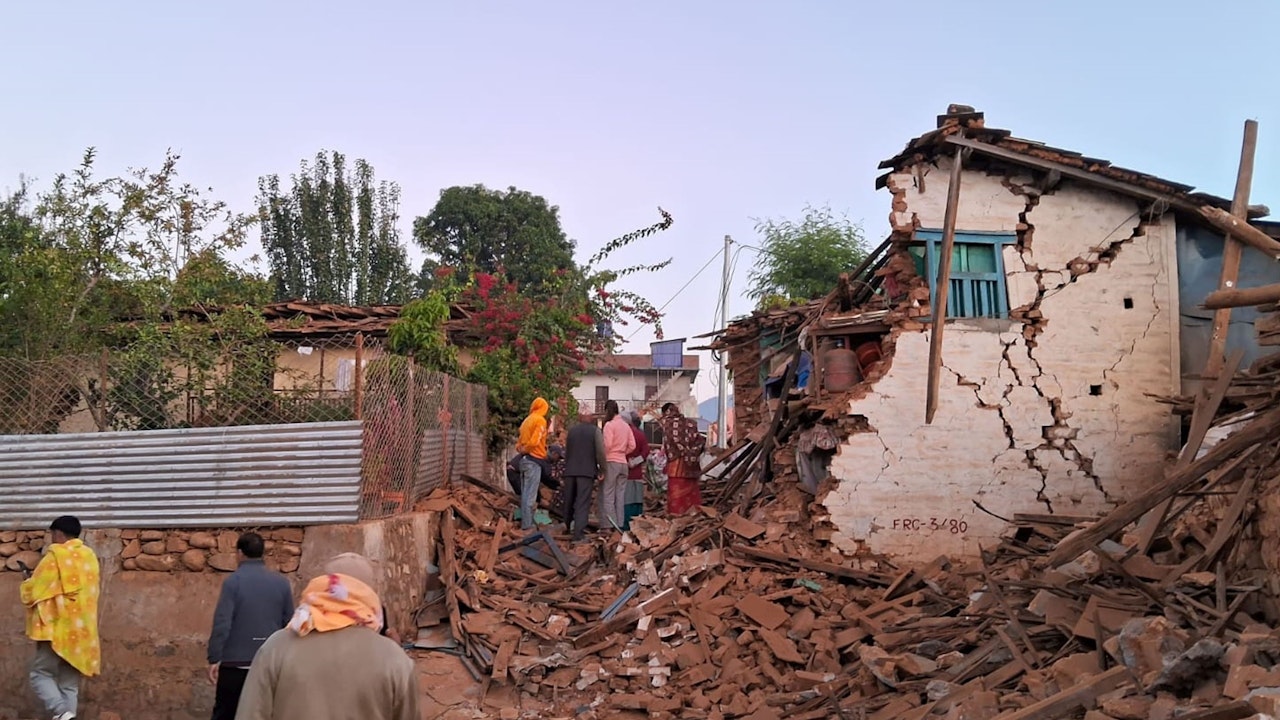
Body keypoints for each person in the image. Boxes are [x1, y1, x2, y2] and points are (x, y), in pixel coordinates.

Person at [236, 553, 418, 720]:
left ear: (323, 587)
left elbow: (250, 714)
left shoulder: (276, 647)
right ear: (369, 595)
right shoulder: (394, 659)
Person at [206, 532, 295, 720]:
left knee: (226, 713)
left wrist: (215, 657)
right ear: (262, 553)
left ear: (239, 553)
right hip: (269, 664)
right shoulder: (281, 583)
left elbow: (223, 622)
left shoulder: (233, 582)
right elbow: (289, 623)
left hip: (234, 665)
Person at [19, 515, 100, 720]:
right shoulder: (89, 557)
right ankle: (68, 716)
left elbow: (34, 591)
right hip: (82, 632)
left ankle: (61, 711)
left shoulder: (55, 556)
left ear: (58, 533)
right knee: (69, 684)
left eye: (52, 534)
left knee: (40, 674)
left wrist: (27, 582)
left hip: (56, 630)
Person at [561, 413, 606, 541]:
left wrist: (567, 467)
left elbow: (567, 451)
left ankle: (566, 527)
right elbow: (600, 452)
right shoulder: (595, 431)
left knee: (569, 501)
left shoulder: (572, 431)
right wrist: (602, 469)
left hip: (570, 470)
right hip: (586, 472)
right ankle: (578, 534)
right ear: (591, 418)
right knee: (582, 502)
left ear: (580, 418)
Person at [660, 403, 705, 515]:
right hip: (691, 465)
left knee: (676, 495)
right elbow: (699, 441)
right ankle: (694, 514)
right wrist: (690, 453)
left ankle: (676, 516)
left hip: (676, 465)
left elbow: (671, 444)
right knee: (691, 492)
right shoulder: (691, 423)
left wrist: (682, 451)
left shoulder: (668, 423)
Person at [515, 397, 550, 530]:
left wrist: (522, 450)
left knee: (525, 495)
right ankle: (527, 526)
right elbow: (535, 441)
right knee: (530, 496)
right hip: (534, 461)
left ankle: (526, 523)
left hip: (524, 461)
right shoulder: (540, 420)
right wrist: (528, 449)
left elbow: (518, 443)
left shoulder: (526, 420)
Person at [600, 400, 636, 530]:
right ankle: (620, 525)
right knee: (620, 496)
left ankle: (609, 524)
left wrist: (603, 459)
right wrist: (622, 453)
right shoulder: (626, 426)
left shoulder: (609, 425)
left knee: (608, 494)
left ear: (607, 411)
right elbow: (632, 445)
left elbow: (607, 445)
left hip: (611, 462)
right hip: (623, 463)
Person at [623, 412, 651, 530]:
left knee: (626, 499)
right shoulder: (640, 435)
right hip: (637, 472)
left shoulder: (623, 434)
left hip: (624, 472)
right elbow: (646, 452)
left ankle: (626, 525)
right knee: (637, 499)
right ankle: (637, 524)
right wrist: (635, 462)